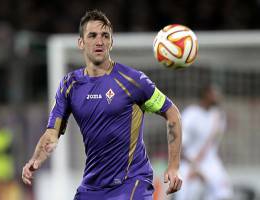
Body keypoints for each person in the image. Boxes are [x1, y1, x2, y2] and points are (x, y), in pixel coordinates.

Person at [22, 10, 182, 199]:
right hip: (92, 187)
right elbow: (52, 133)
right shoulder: (70, 85)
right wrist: (37, 158)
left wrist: (173, 167)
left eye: (105, 36)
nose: (99, 41)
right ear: (81, 42)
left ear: (111, 42)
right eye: (92, 36)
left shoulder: (133, 80)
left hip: (131, 182)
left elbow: (172, 113)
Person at [175, 85, 233, 200]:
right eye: (214, 94)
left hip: (211, 162)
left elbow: (213, 144)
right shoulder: (191, 114)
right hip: (190, 162)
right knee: (185, 193)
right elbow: (179, 145)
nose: (218, 97)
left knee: (224, 192)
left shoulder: (219, 116)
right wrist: (195, 168)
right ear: (206, 95)